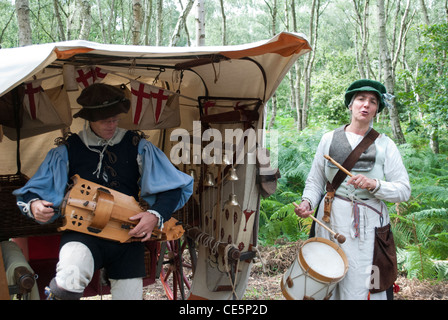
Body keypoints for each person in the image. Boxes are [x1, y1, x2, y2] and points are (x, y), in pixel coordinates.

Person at [13, 83, 194, 300]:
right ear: (90, 119)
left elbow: (172, 188)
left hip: (129, 235)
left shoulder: (138, 146)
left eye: (115, 119)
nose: (111, 125)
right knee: (68, 280)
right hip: (83, 233)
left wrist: (154, 215)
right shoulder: (67, 150)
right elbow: (35, 190)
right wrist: (34, 205)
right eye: (104, 120)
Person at [294, 79, 411, 300]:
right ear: (350, 104)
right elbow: (315, 180)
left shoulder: (386, 145)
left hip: (367, 229)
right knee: (326, 278)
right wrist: (307, 202)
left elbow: (403, 190)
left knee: (362, 281)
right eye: (360, 99)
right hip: (330, 221)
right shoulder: (328, 139)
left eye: (372, 101)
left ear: (377, 109)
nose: (366, 105)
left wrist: (375, 184)